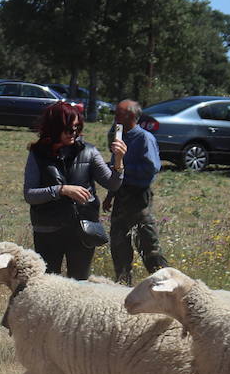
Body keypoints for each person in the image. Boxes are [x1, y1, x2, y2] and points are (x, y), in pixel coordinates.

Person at [23, 100, 126, 280]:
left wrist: (119, 160)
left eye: (77, 129)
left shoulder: (89, 152)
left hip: (82, 230)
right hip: (48, 229)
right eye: (69, 129)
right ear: (55, 128)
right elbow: (30, 195)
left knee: (79, 286)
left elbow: (113, 184)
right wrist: (61, 190)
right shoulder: (37, 154)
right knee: (47, 285)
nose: (74, 134)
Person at [102, 99, 170, 285]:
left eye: (118, 114)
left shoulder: (144, 138)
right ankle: (123, 284)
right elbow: (115, 169)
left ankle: (166, 286)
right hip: (120, 196)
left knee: (148, 246)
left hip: (138, 198)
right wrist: (110, 195)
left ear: (131, 116)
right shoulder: (117, 134)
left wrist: (123, 165)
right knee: (119, 245)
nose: (115, 117)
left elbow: (151, 168)